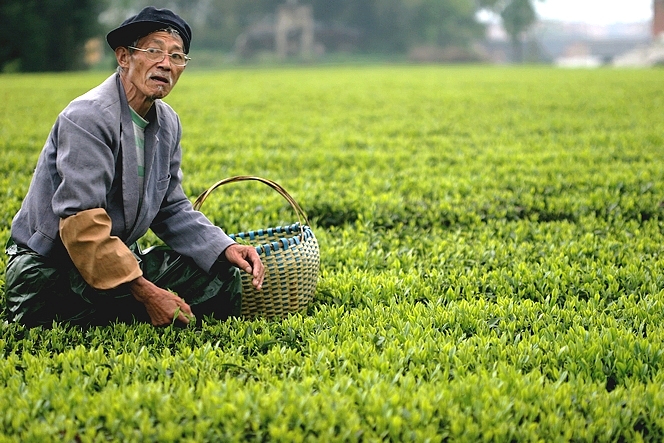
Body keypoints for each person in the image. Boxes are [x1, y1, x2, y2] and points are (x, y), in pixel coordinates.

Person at [3, 6, 264, 328]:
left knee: (219, 277)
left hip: (120, 258)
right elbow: (81, 224)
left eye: (177, 56)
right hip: (50, 266)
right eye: (154, 51)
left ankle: (127, 303)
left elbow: (170, 207)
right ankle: (129, 305)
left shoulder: (167, 122)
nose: (165, 64)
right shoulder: (88, 117)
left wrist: (225, 246)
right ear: (124, 57)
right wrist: (147, 292)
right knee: (64, 311)